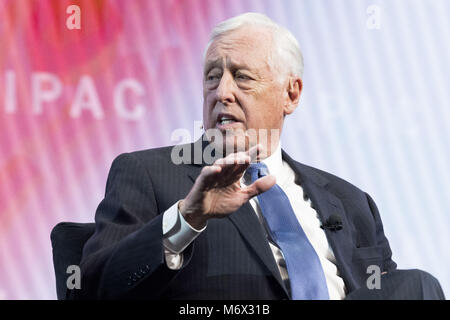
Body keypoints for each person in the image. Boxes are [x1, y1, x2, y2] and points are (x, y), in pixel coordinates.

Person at [74, 13, 444, 300]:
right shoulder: (150, 174)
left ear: (291, 94)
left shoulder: (351, 202)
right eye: (212, 77)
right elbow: (96, 288)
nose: (223, 92)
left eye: (242, 77)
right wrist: (188, 217)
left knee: (416, 286)